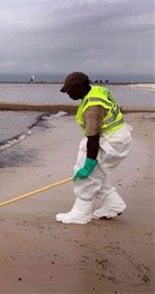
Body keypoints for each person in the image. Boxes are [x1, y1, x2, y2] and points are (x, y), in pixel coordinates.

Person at [56, 71, 131, 224]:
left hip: (111, 141)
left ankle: (80, 215)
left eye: (70, 90)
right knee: (97, 174)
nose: (68, 94)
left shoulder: (93, 107)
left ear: (81, 86)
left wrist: (89, 164)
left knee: (88, 176)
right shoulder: (97, 90)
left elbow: (93, 138)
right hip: (115, 136)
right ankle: (114, 205)